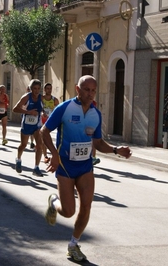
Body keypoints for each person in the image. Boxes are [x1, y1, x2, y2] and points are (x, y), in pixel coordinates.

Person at [40, 75, 132, 262]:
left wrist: (115, 150)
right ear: (77, 89)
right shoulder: (64, 108)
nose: (90, 94)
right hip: (65, 165)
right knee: (68, 211)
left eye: (93, 90)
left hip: (85, 166)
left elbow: (97, 142)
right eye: (86, 89)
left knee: (87, 206)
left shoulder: (95, 114)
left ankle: (73, 245)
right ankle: (54, 201)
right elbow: (44, 131)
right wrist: (54, 154)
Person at [12, 79, 44, 176]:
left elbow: (43, 109)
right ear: (30, 89)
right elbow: (15, 109)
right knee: (23, 145)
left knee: (40, 145)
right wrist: (28, 112)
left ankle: (36, 167)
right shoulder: (26, 97)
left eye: (38, 88)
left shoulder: (41, 98)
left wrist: (44, 113)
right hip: (26, 124)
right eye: (34, 88)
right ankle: (18, 159)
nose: (36, 91)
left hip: (37, 125)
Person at [41, 82, 59, 163]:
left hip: (50, 120)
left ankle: (53, 153)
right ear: (44, 89)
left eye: (50, 88)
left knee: (49, 138)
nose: (49, 90)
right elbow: (38, 107)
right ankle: (45, 155)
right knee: (44, 137)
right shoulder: (41, 98)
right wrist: (42, 113)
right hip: (42, 120)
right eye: (47, 89)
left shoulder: (55, 100)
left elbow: (58, 110)